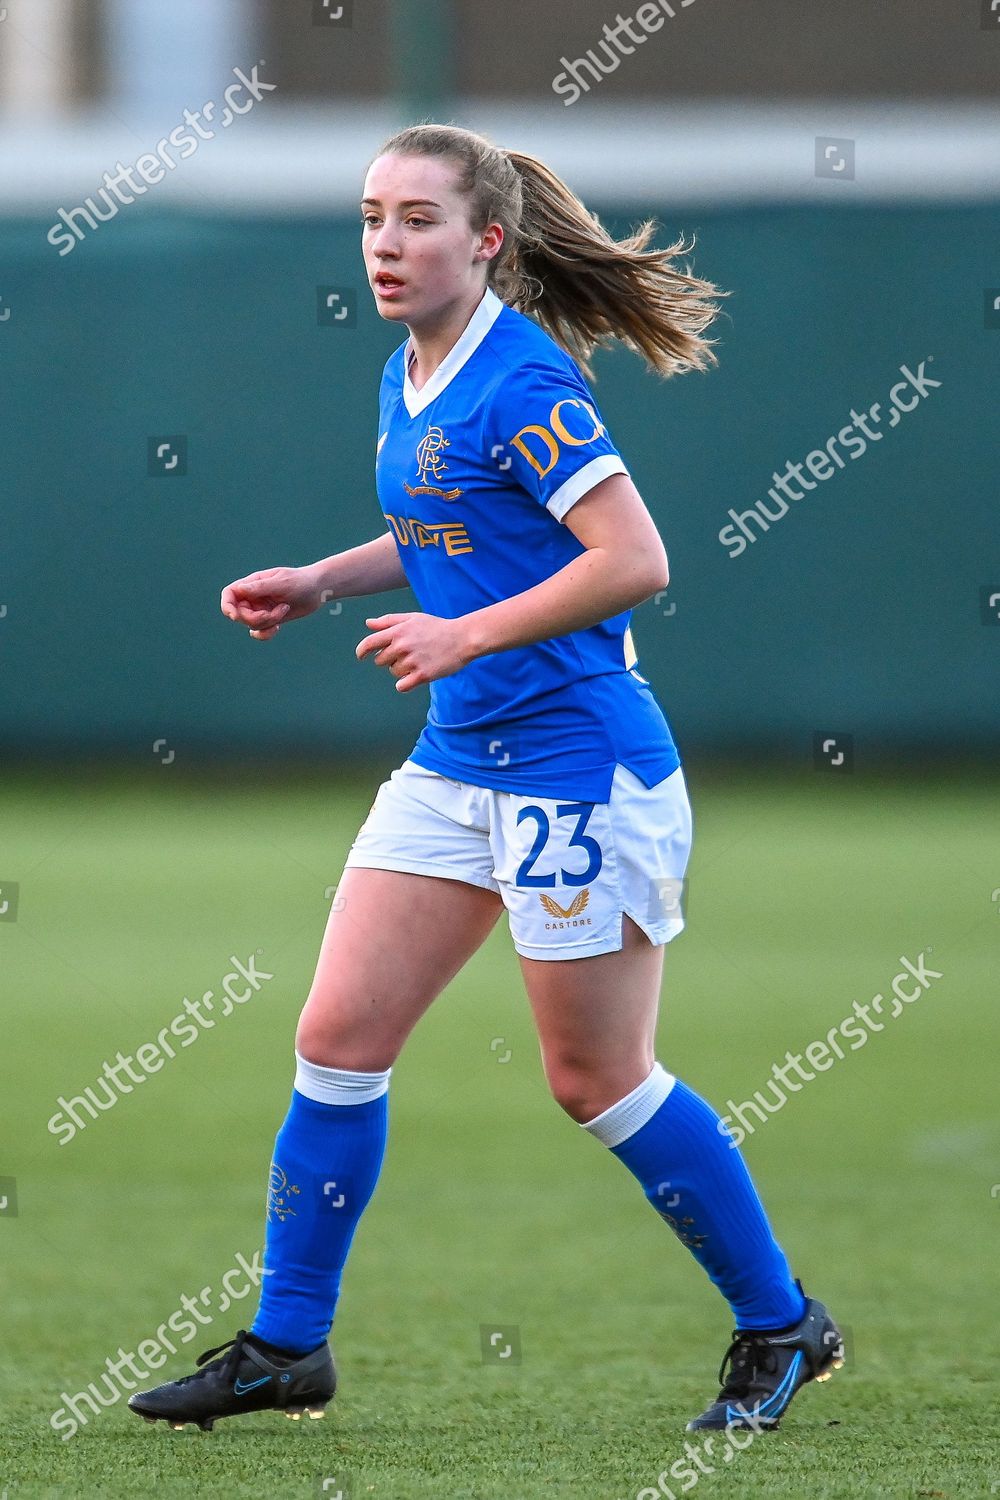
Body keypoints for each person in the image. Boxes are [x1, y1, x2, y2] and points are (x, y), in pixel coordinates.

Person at [129, 123, 842, 1437]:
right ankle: (288, 1347)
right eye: (371, 217)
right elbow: (448, 526)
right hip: (460, 763)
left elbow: (635, 559)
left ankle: (781, 1321)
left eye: (416, 220)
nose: (386, 245)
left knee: (598, 1081)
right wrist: (324, 579)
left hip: (579, 768)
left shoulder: (521, 375)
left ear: (488, 242)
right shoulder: (410, 369)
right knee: (337, 1045)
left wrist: (466, 633)